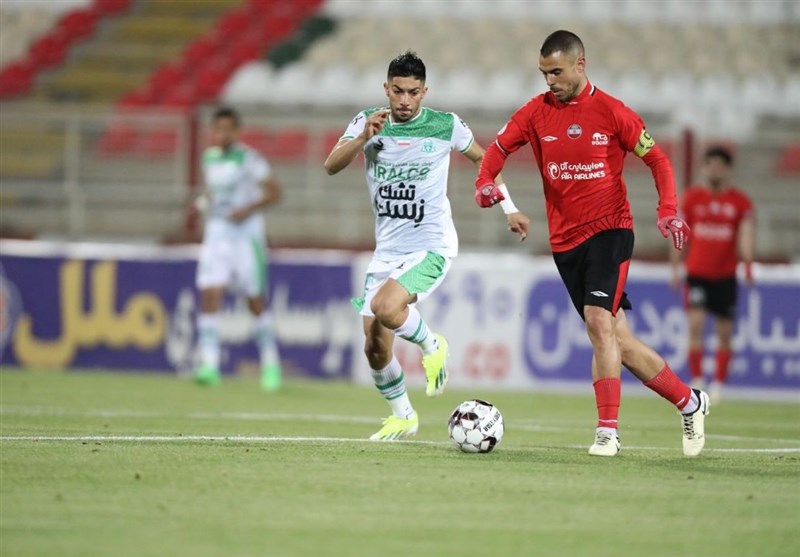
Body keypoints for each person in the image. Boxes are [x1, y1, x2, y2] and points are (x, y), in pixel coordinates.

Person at [475, 30, 709, 457]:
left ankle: (607, 432)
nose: (550, 81)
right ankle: (690, 402)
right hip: (565, 242)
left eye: (556, 72)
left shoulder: (613, 112)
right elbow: (497, 149)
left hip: (611, 230)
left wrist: (668, 209)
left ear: (580, 65)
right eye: (544, 73)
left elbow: (657, 159)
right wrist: (484, 182)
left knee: (598, 322)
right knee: (621, 342)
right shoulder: (534, 113)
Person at [324, 51, 529, 441]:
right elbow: (331, 165)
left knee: (387, 308)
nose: (404, 101)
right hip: (387, 250)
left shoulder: (445, 125)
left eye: (412, 92)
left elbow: (485, 160)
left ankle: (433, 346)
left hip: (431, 245)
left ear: (424, 92)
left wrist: (510, 208)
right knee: (374, 347)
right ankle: (404, 416)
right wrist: (364, 137)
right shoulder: (368, 122)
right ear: (386, 89)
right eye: (397, 91)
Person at [194, 107, 283, 391]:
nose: (222, 134)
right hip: (218, 232)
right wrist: (203, 203)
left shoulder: (249, 159)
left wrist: (247, 209)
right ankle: (209, 365)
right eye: (217, 129)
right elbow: (212, 192)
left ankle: (270, 363)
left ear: (236, 131)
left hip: (246, 235)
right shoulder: (209, 158)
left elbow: (275, 192)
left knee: (253, 299)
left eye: (227, 129)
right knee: (210, 292)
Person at [671, 146, 755, 405]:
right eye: (711, 165)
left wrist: (748, 264)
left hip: (725, 275)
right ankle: (697, 380)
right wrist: (675, 266)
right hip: (697, 273)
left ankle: (718, 384)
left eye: (720, 165)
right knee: (696, 326)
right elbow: (681, 235)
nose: (715, 170)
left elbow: (745, 234)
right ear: (703, 168)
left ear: (728, 169)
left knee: (725, 332)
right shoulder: (692, 198)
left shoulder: (740, 202)